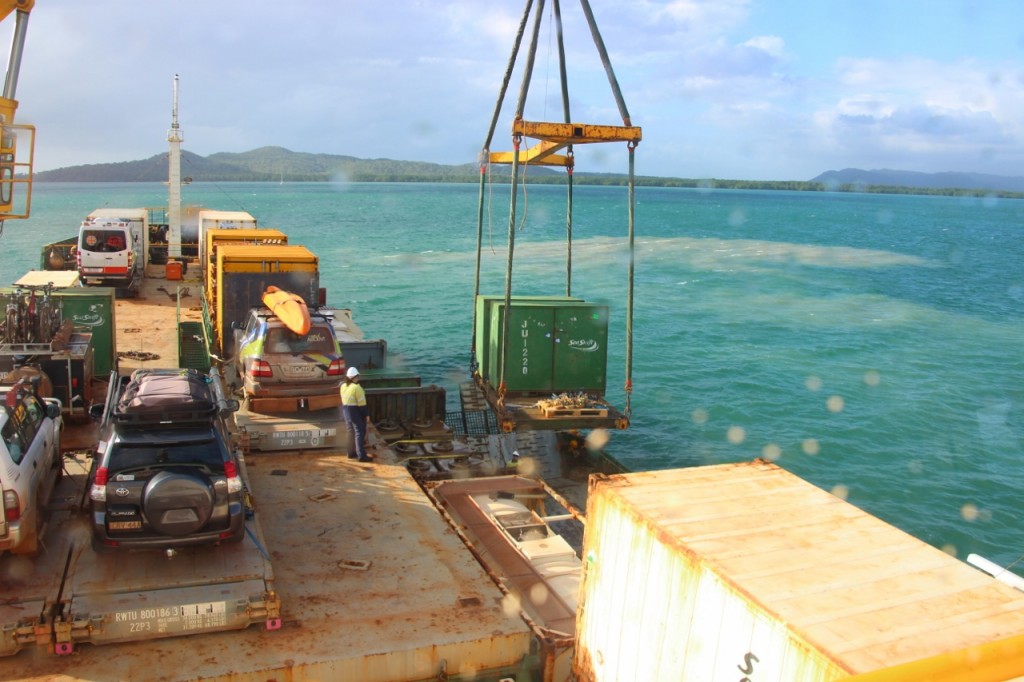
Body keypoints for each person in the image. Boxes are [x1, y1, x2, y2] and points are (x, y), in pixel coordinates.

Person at [341, 366, 371, 462]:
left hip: (345, 411)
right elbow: (362, 405)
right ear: (356, 377)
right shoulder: (357, 388)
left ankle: (350, 453)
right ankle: (362, 456)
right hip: (355, 412)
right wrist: (366, 415)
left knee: (350, 432)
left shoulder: (343, 386)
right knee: (359, 432)